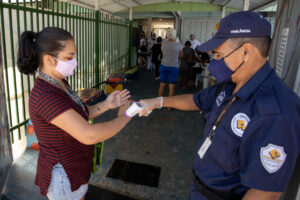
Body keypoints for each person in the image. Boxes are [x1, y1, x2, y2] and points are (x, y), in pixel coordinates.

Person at [138, 11, 300, 200]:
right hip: (200, 189)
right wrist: (158, 102)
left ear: (246, 52)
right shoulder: (232, 82)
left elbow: (265, 192)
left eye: (218, 54)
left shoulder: (276, 113)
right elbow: (196, 100)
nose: (214, 61)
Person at [17, 27, 132, 200]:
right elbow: (88, 134)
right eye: (69, 57)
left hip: (74, 168)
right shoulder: (45, 95)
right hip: (63, 176)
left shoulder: (59, 82)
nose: (75, 62)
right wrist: (125, 116)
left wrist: (107, 104)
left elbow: (79, 116)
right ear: (49, 60)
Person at [159, 28, 183, 100]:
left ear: (167, 35)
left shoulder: (163, 43)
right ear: (174, 35)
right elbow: (181, 56)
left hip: (163, 66)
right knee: (171, 86)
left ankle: (159, 103)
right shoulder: (179, 45)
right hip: (173, 67)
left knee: (162, 84)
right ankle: (169, 106)